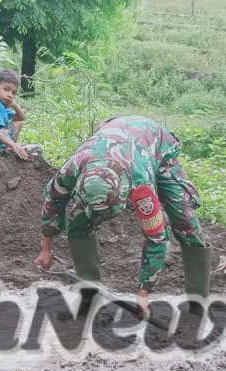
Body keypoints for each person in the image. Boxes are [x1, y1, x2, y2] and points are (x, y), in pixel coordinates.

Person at [33, 115, 211, 317]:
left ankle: (198, 303)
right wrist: (46, 249)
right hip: (113, 140)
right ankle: (90, 295)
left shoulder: (141, 187)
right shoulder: (72, 169)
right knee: (79, 223)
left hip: (156, 147)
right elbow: (53, 202)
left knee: (185, 221)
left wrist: (144, 293)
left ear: (123, 195)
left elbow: (157, 239)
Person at [0, 69, 39, 159]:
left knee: (18, 123)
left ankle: (11, 147)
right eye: (6, 89)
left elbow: (21, 118)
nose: (10, 95)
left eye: (13, 92)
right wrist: (13, 144)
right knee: (35, 149)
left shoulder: (2, 106)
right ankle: (12, 147)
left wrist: (14, 104)